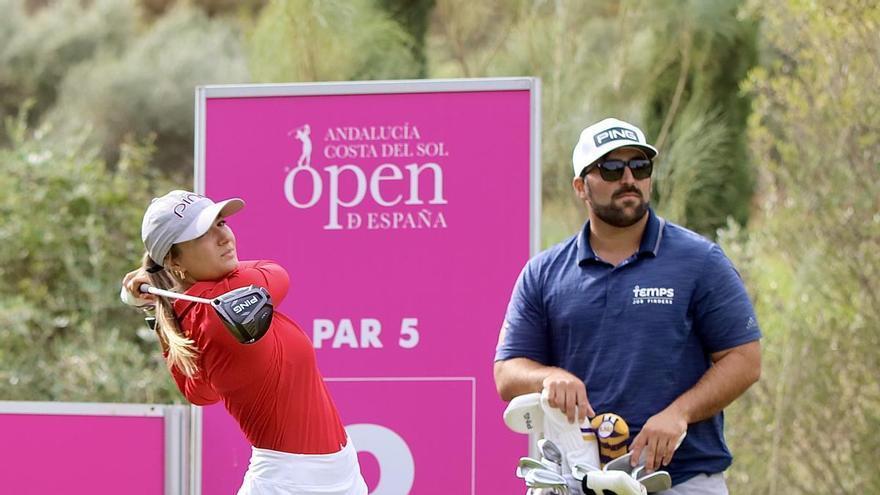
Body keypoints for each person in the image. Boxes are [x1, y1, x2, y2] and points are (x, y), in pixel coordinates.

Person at [494, 118, 761, 494]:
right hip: (574, 481)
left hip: (681, 481)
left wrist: (678, 414)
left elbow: (744, 359)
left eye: (639, 166)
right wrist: (549, 377)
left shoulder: (700, 261)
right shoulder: (543, 273)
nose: (628, 179)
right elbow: (507, 374)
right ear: (580, 186)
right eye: (611, 168)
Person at [121, 190, 367, 495]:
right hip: (290, 484)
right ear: (174, 260)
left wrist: (151, 299)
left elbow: (200, 394)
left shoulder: (190, 315)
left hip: (338, 473)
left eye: (221, 224)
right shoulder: (221, 309)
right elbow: (278, 273)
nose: (223, 238)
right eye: (202, 234)